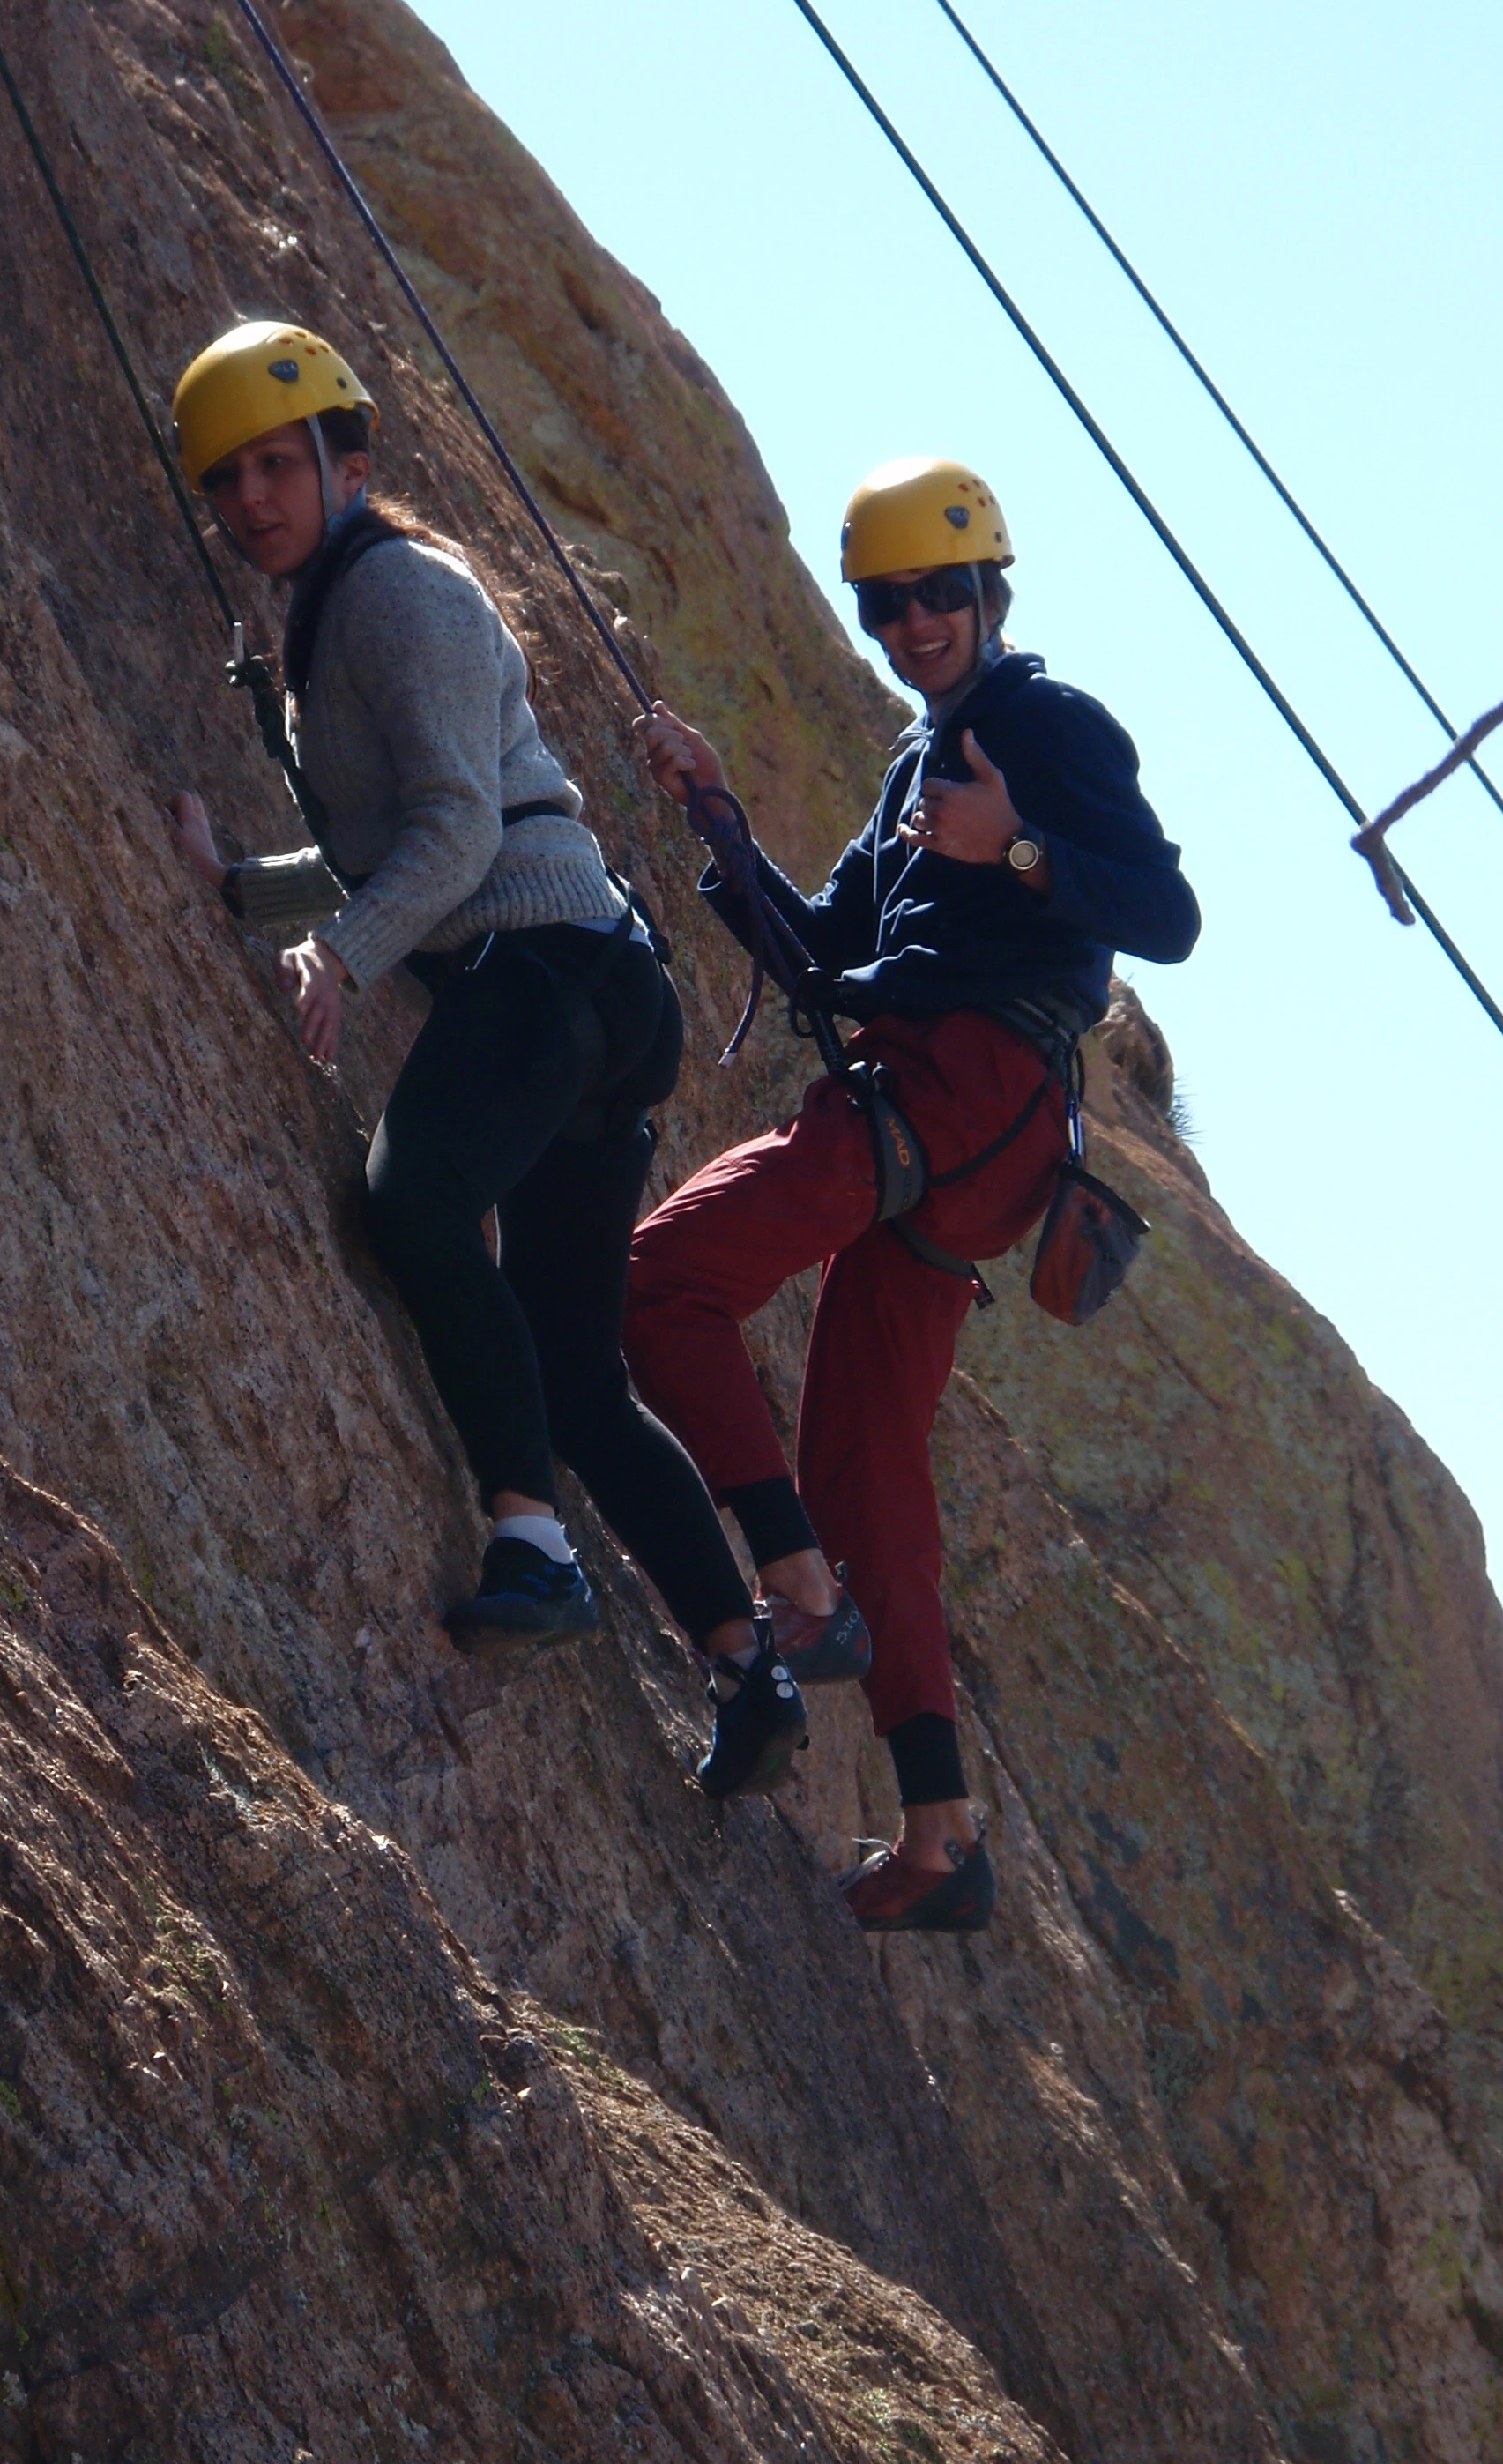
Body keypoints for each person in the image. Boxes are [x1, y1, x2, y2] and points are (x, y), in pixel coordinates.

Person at [162, 318, 804, 1798]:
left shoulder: (393, 595)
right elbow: (393, 843)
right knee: (579, 1373)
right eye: (226, 482)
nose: (251, 499)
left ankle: (532, 1544)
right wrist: (249, 891)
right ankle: (747, 1666)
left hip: (545, 964)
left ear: (350, 464)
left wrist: (342, 953)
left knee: (413, 1200)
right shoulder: (342, 615)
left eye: (277, 464)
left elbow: (454, 837)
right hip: (590, 991)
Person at [625, 456, 1199, 1931]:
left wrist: (1011, 847)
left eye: (939, 593)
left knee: (659, 1279)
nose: (914, 622)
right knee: (866, 1472)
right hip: (952, 1129)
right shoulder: (909, 770)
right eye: (887, 603)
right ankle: (942, 1834)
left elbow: (1168, 912)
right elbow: (820, 958)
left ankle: (799, 1596)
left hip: (963, 1091)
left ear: (989, 591)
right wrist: (716, 818)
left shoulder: (1043, 727)